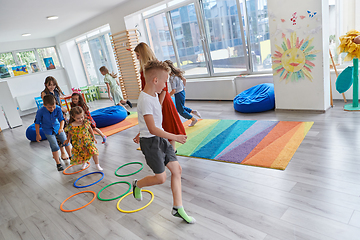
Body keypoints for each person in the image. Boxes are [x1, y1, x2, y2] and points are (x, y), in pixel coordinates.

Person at [133, 60, 195, 224]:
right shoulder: (145, 99)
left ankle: (178, 208)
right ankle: (137, 184)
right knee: (161, 178)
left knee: (177, 170)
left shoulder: (153, 95)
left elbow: (150, 121)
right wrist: (175, 137)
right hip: (151, 143)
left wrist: (141, 130)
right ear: (155, 80)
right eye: (165, 81)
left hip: (160, 139)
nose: (166, 85)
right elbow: (153, 129)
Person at [134, 42, 186, 151]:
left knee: (167, 124)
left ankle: (172, 150)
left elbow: (163, 89)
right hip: (153, 100)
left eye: (138, 55)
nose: (137, 58)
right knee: (157, 124)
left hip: (161, 101)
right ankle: (166, 149)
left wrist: (159, 105)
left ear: (143, 54)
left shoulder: (156, 67)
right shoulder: (145, 69)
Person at [34, 95, 71, 171]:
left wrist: (61, 128)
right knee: (54, 146)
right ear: (44, 105)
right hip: (47, 130)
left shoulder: (57, 108)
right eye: (49, 107)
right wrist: (38, 134)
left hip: (57, 127)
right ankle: (58, 163)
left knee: (66, 141)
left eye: (53, 106)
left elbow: (61, 119)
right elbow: (37, 123)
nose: (52, 109)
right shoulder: (40, 111)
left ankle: (71, 157)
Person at [64, 106, 103, 171]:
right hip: (78, 144)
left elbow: (90, 129)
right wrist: (67, 140)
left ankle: (97, 165)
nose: (81, 119)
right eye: (78, 118)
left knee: (94, 152)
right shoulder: (71, 125)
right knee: (83, 154)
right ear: (73, 117)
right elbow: (70, 133)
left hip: (88, 141)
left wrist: (94, 137)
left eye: (82, 117)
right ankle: (84, 163)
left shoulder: (85, 122)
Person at [41, 76, 70, 160]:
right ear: (46, 84)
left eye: (53, 85)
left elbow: (59, 103)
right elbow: (48, 106)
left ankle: (69, 150)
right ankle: (62, 152)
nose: (52, 87)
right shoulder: (44, 93)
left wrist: (63, 110)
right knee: (58, 134)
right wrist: (60, 109)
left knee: (65, 132)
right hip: (52, 117)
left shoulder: (56, 92)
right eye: (50, 85)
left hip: (60, 113)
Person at [164, 60, 201, 127]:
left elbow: (173, 90)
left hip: (178, 94)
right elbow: (184, 79)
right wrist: (183, 88)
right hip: (182, 92)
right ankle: (193, 111)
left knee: (181, 111)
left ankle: (193, 119)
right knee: (180, 107)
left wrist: (166, 96)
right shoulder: (176, 74)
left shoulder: (172, 78)